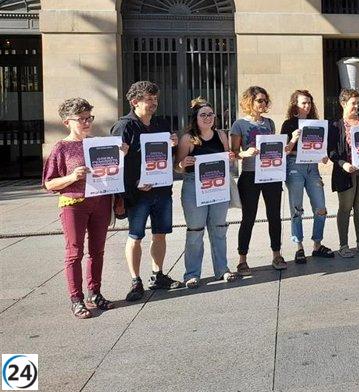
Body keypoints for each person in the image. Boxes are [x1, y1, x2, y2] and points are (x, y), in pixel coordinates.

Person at [43, 98, 128, 318]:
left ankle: (95, 292)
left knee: (98, 251)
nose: (86, 122)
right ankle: (76, 298)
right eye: (81, 118)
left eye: (89, 117)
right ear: (66, 122)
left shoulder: (98, 144)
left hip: (100, 201)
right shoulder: (61, 148)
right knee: (74, 252)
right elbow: (49, 183)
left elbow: (112, 172)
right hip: (74, 204)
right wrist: (72, 177)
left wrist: (121, 154)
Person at [112, 81, 182, 302]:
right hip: (137, 192)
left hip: (161, 189)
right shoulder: (124, 126)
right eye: (148, 99)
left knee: (160, 233)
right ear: (135, 102)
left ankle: (157, 274)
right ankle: (135, 280)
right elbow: (115, 163)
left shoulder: (162, 123)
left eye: (155, 99)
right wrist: (134, 184)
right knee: (135, 236)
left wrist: (174, 143)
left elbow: (168, 157)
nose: (154, 103)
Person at [174, 98, 238, 287]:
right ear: (196, 118)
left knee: (219, 229)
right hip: (194, 187)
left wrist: (231, 157)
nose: (208, 118)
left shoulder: (221, 135)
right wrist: (182, 164)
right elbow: (177, 168)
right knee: (195, 231)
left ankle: (222, 269)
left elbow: (228, 160)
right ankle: (192, 274)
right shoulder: (188, 138)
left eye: (210, 114)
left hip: (217, 185)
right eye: (203, 115)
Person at [230, 86, 287, 272]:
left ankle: (277, 255)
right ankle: (242, 258)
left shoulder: (269, 123)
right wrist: (245, 153)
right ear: (250, 102)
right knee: (249, 217)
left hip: (270, 173)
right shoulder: (239, 124)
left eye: (265, 100)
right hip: (249, 175)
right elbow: (234, 153)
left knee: (274, 215)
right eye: (259, 100)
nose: (264, 104)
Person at [282, 90, 334, 263]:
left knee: (321, 207)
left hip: (313, 167)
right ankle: (299, 247)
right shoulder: (288, 124)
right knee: (296, 208)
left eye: (309, 103)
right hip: (294, 165)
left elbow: (319, 147)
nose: (307, 106)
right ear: (295, 104)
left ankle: (317, 245)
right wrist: (293, 139)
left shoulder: (316, 124)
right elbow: (285, 151)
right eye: (303, 102)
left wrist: (323, 155)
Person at [328, 89, 359, 257]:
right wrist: (343, 164)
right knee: (345, 207)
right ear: (343, 103)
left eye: (357, 102)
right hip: (345, 171)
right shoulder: (335, 125)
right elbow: (331, 151)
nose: (357, 105)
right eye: (353, 103)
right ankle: (343, 245)